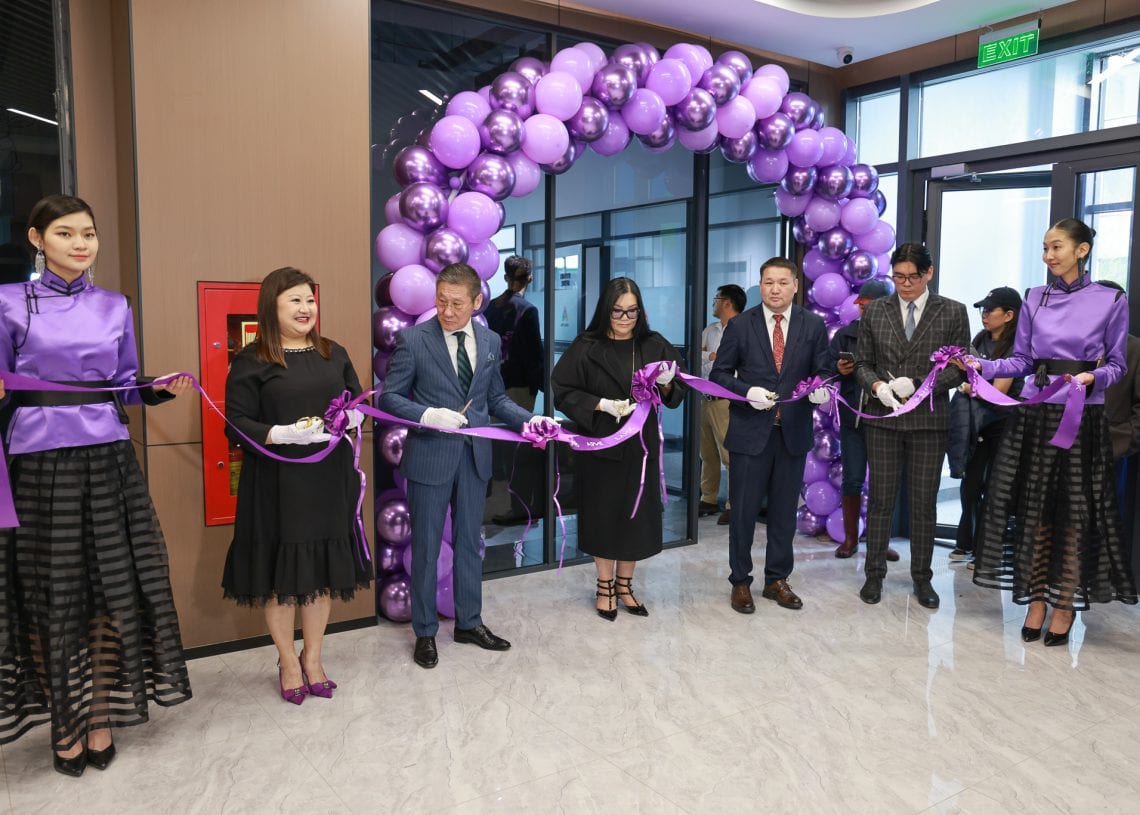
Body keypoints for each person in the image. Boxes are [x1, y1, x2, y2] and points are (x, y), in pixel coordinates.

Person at [0, 194, 192, 776]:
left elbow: (122, 383)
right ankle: (66, 721)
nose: (81, 244)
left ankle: (103, 714)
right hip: (37, 461)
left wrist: (155, 388)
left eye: (88, 233)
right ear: (37, 239)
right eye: (65, 233)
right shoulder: (7, 302)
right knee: (53, 596)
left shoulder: (114, 305)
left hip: (107, 457)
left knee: (115, 588)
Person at [967, 220, 1138, 645]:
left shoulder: (1111, 299)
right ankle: (1035, 601)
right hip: (1036, 416)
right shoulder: (1033, 298)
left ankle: (1063, 605)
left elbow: (1117, 365)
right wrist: (983, 366)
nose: (1048, 256)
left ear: (1081, 250)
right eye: (1044, 247)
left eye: (1056, 247)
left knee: (1073, 517)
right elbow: (1020, 360)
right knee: (1034, 513)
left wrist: (1090, 379)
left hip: (1082, 418)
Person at [379, 263, 555, 669]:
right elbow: (390, 397)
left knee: (470, 545)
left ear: (477, 302)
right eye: (441, 302)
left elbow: (495, 399)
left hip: (474, 458)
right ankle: (425, 632)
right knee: (424, 548)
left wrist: (527, 420)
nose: (447, 311)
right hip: (430, 456)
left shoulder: (491, 340)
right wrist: (427, 415)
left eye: (457, 303)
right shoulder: (413, 340)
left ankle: (469, 622)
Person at [222, 266, 372, 703]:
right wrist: (281, 433)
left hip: (328, 477)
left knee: (320, 574)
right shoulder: (252, 360)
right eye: (295, 300)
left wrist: (354, 416)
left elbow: (356, 398)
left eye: (310, 299)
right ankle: (288, 661)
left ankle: (314, 658)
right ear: (272, 307)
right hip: (276, 482)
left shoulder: (332, 351)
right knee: (281, 578)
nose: (306, 308)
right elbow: (236, 422)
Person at [551, 277, 684, 621]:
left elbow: (677, 390)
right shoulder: (586, 345)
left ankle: (626, 585)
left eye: (632, 311)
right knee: (603, 515)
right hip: (600, 447)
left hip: (641, 450)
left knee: (635, 518)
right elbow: (562, 390)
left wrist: (668, 386)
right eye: (618, 312)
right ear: (605, 311)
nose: (625, 319)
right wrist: (599, 405)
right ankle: (605, 585)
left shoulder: (654, 344)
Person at [711, 257, 831, 614]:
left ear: (796, 285)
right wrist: (746, 391)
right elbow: (719, 374)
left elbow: (823, 370)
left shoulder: (812, 324)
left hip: (792, 433)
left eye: (782, 282)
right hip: (750, 433)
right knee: (744, 512)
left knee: (783, 513)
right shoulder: (741, 325)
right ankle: (741, 582)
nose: (775, 289)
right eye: (768, 282)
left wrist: (822, 388)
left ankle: (777, 579)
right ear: (760, 286)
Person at [854, 242, 969, 609]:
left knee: (923, 504)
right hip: (883, 420)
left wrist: (920, 383)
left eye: (912, 277)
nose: (905, 284)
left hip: (928, 422)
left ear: (928, 274)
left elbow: (959, 365)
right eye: (898, 277)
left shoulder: (952, 311)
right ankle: (874, 575)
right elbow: (861, 362)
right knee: (881, 502)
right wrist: (876, 385)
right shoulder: (876, 312)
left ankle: (923, 578)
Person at [947, 286, 1022, 565]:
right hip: (975, 424)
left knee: (995, 489)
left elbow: (999, 390)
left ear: (1009, 315)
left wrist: (968, 385)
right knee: (970, 484)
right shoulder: (979, 340)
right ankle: (964, 542)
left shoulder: (1016, 348)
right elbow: (962, 376)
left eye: (991, 310)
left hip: (1003, 426)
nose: (985, 315)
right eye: (983, 309)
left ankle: (986, 552)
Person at [827, 278, 898, 561]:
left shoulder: (899, 335)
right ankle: (850, 540)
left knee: (885, 483)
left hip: (886, 419)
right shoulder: (845, 335)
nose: (862, 311)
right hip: (853, 419)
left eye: (867, 306)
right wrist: (838, 369)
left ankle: (880, 542)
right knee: (853, 479)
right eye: (861, 306)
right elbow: (827, 370)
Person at [484, 255, 545, 525]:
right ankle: (517, 505)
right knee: (519, 447)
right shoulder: (528, 310)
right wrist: (542, 385)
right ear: (529, 278)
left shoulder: (491, 308)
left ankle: (493, 496)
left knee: (497, 444)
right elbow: (534, 356)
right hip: (519, 387)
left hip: (494, 384)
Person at [699, 284, 745, 526]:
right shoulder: (711, 330)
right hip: (705, 398)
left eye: (717, 299)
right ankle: (708, 497)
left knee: (730, 454)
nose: (714, 303)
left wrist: (711, 356)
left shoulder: (745, 330)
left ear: (726, 302)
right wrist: (709, 356)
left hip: (727, 400)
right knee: (706, 453)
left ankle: (734, 504)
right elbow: (698, 355)